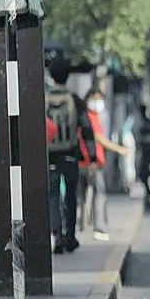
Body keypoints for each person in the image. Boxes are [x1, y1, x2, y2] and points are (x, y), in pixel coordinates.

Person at [45, 58, 95, 254]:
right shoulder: (75, 99)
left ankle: (56, 236)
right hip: (70, 156)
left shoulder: (44, 99)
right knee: (71, 197)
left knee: (53, 196)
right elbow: (87, 129)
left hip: (49, 156)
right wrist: (90, 157)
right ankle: (70, 236)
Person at [79, 88, 130, 241]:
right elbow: (99, 138)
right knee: (98, 193)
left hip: (85, 161)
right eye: (95, 99)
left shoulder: (89, 116)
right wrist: (119, 149)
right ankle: (98, 227)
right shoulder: (90, 117)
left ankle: (84, 224)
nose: (97, 102)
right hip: (92, 162)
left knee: (85, 195)